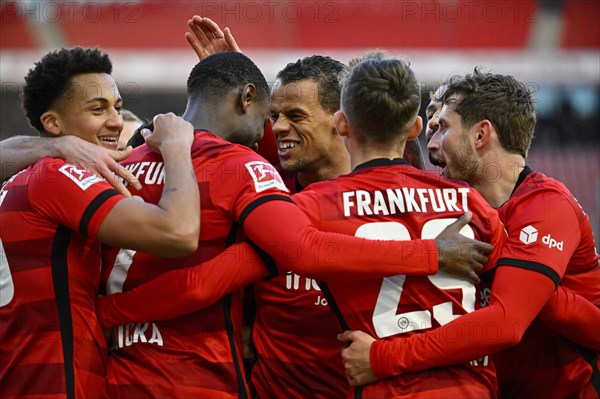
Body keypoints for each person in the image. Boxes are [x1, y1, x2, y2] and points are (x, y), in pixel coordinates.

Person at [96, 51, 496, 399]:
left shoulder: (302, 209)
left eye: (294, 115)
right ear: (412, 128)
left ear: (340, 122)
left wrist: (99, 313)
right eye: (272, 116)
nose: (277, 128)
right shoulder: (465, 205)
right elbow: (508, 319)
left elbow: (203, 284)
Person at [339, 70, 600, 399]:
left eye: (444, 128)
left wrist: (382, 357)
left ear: (481, 135)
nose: (432, 144)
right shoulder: (458, 207)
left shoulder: (545, 205)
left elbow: (505, 323)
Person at [0, 47, 200, 399]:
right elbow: (178, 232)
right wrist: (177, 147)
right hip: (55, 386)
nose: (115, 121)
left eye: (117, 108)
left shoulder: (24, 178)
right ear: (53, 124)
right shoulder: (55, 175)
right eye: (98, 109)